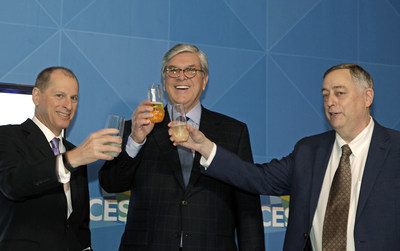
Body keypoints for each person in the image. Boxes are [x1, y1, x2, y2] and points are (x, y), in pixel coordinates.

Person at [170, 63, 400, 251]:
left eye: (340, 93)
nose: (330, 102)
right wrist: (205, 147)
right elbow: (256, 177)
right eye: (325, 94)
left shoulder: (395, 150)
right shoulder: (309, 151)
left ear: (367, 97)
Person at [99, 44, 265, 251]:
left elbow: (247, 206)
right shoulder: (136, 127)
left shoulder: (233, 132)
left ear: (204, 81)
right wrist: (135, 140)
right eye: (173, 70)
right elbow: (110, 184)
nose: (181, 77)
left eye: (191, 70)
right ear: (164, 80)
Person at [0, 66, 122, 251]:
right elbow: (13, 185)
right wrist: (69, 160)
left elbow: (79, 225)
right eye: (59, 95)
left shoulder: (75, 152)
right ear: (36, 96)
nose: (68, 105)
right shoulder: (8, 136)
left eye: (74, 98)